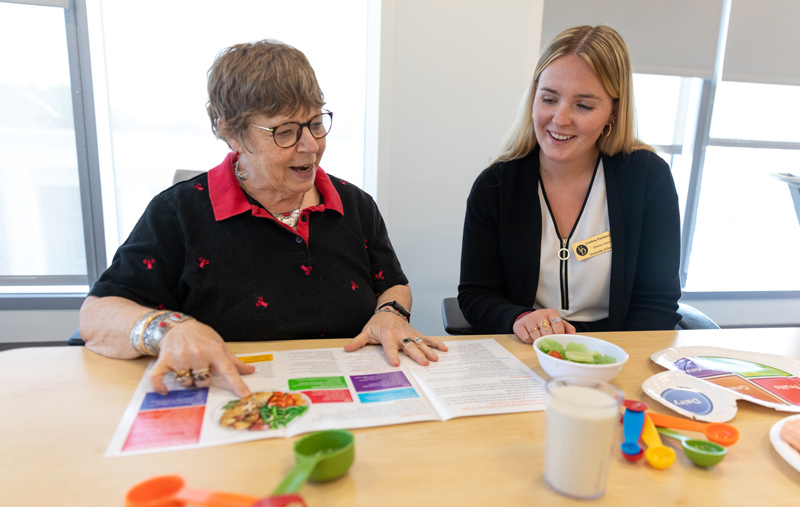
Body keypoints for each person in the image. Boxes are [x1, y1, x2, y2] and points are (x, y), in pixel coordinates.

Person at [80, 39, 446, 397]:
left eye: (316, 123)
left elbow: (392, 283)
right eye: (284, 132)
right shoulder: (178, 212)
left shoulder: (355, 204)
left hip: (346, 397)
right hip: (233, 400)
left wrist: (391, 312)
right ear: (232, 134)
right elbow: (97, 315)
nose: (311, 145)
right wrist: (169, 330)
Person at [458, 25, 681, 344]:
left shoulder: (647, 178)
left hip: (617, 352)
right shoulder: (496, 186)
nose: (560, 119)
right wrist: (520, 318)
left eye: (584, 105)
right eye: (549, 99)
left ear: (613, 112)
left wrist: (608, 362)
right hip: (527, 348)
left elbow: (657, 304)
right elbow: (476, 294)